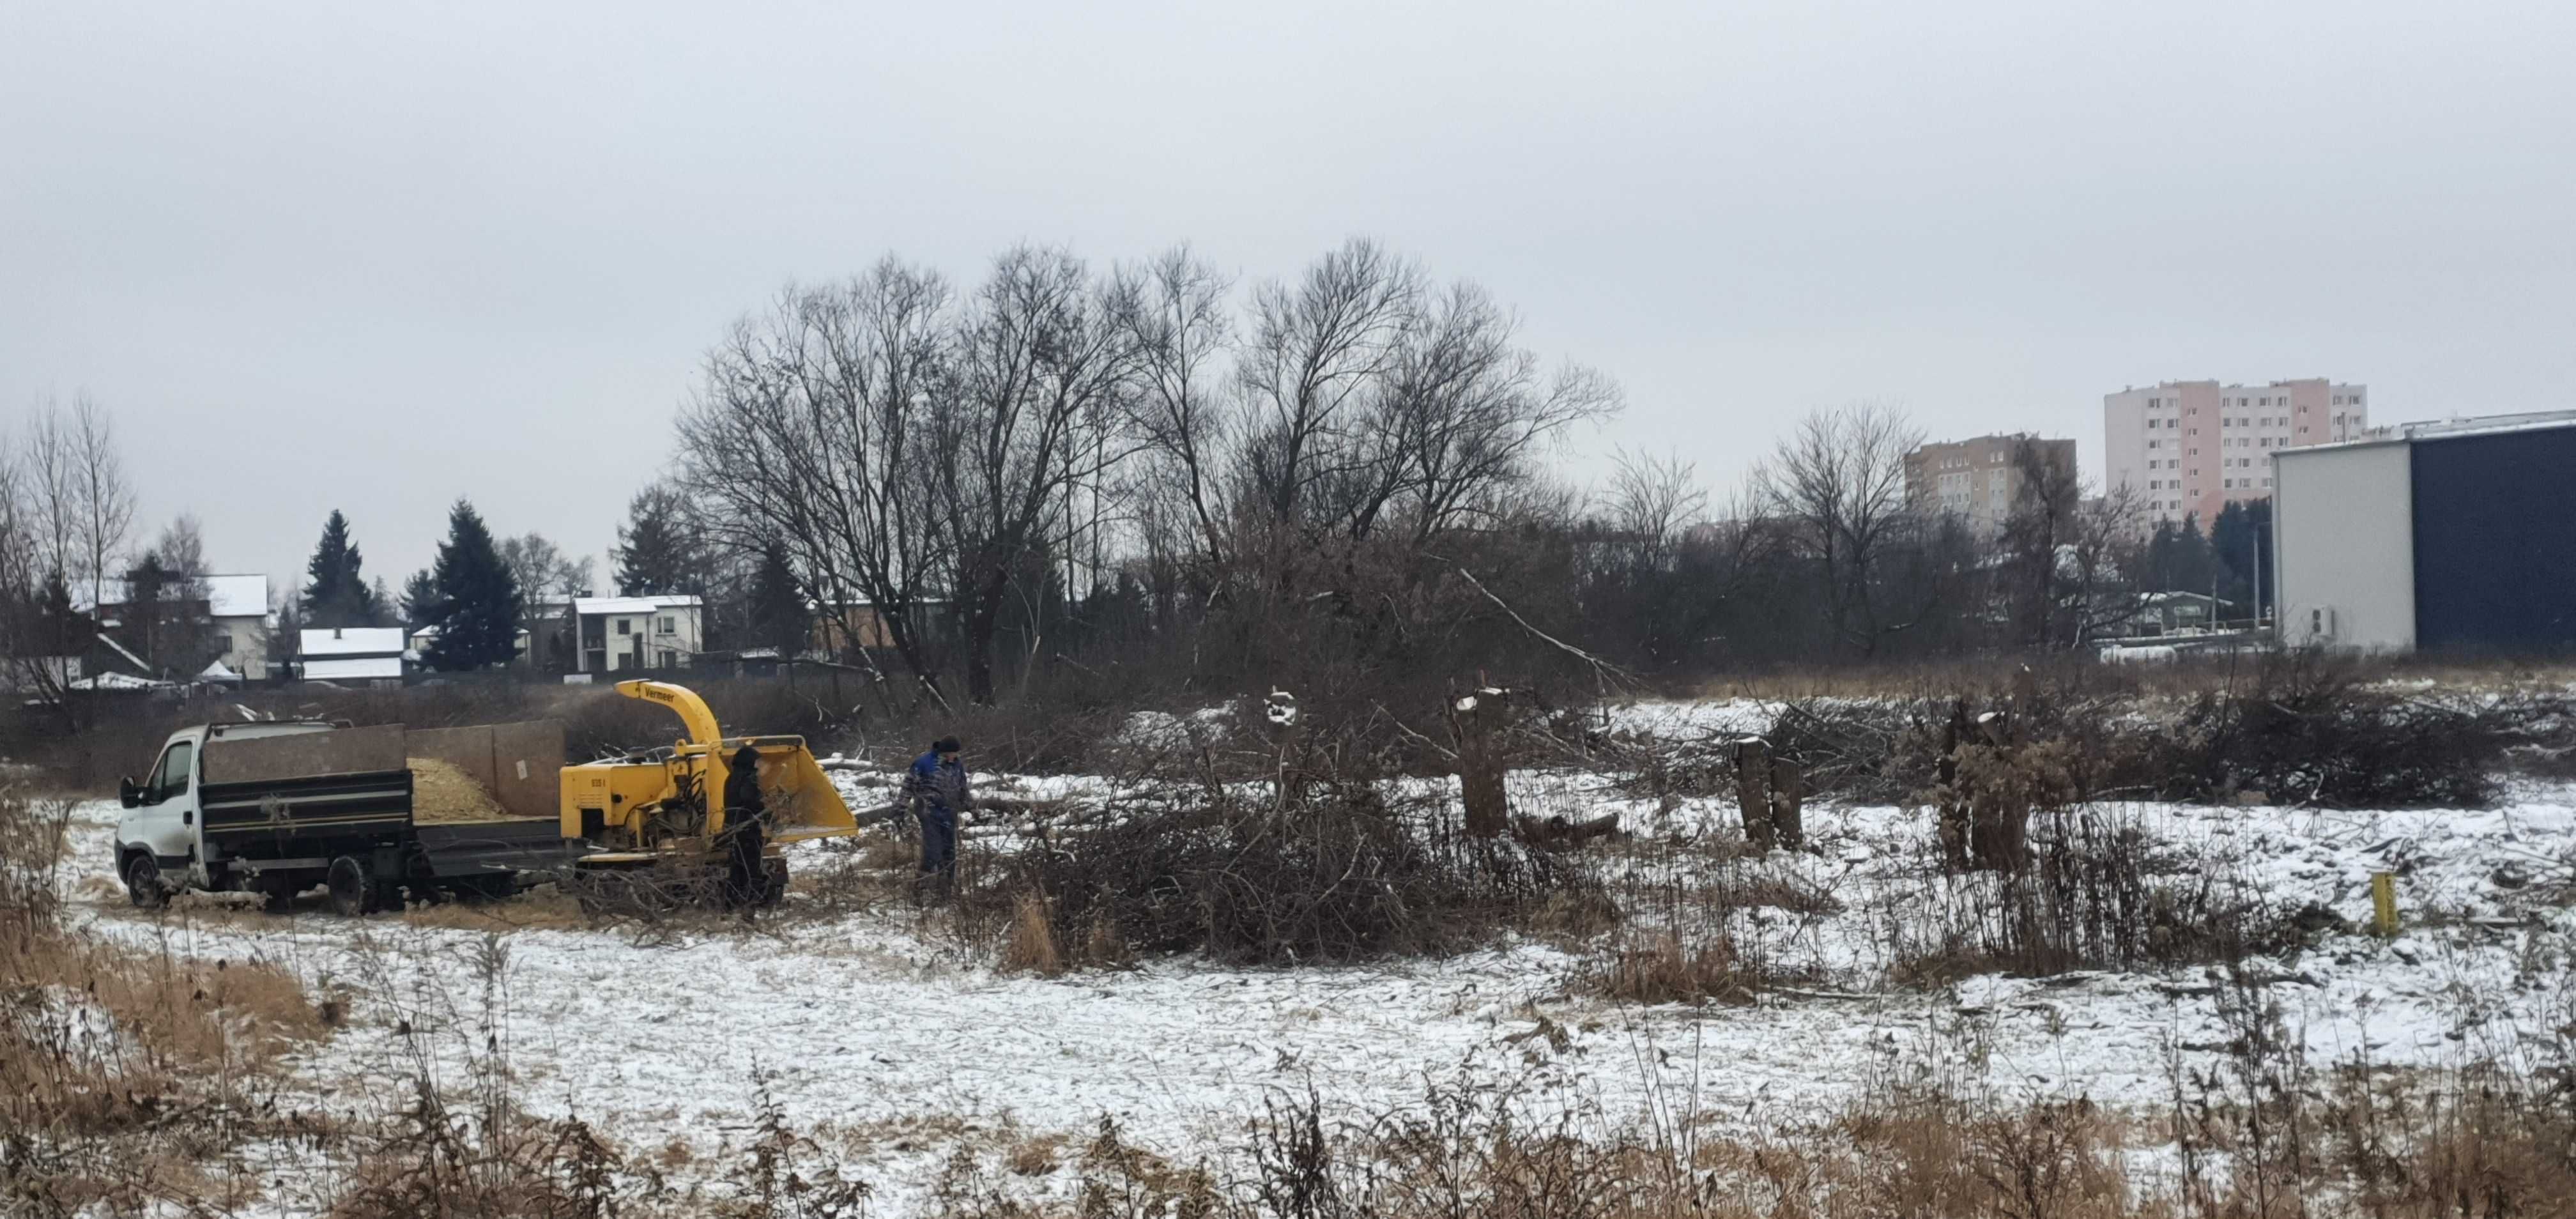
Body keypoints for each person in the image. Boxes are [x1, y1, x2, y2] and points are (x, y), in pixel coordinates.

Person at [907, 736, 969, 898]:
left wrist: (970, 806)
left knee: (949, 853)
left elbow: (963, 786)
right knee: (933, 851)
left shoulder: (957, 764)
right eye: (952, 754)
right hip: (928, 812)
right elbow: (908, 787)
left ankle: (945, 891)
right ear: (944, 752)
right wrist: (899, 810)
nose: (954, 757)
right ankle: (919, 890)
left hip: (949, 813)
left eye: (956, 754)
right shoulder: (924, 763)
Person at [719, 743, 769, 909]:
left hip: (732, 828)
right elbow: (751, 801)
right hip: (748, 830)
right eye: (756, 761)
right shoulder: (750, 778)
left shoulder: (730, 778)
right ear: (749, 762)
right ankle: (750, 907)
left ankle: (730, 905)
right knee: (752, 870)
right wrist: (767, 807)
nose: (758, 764)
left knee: (736, 870)